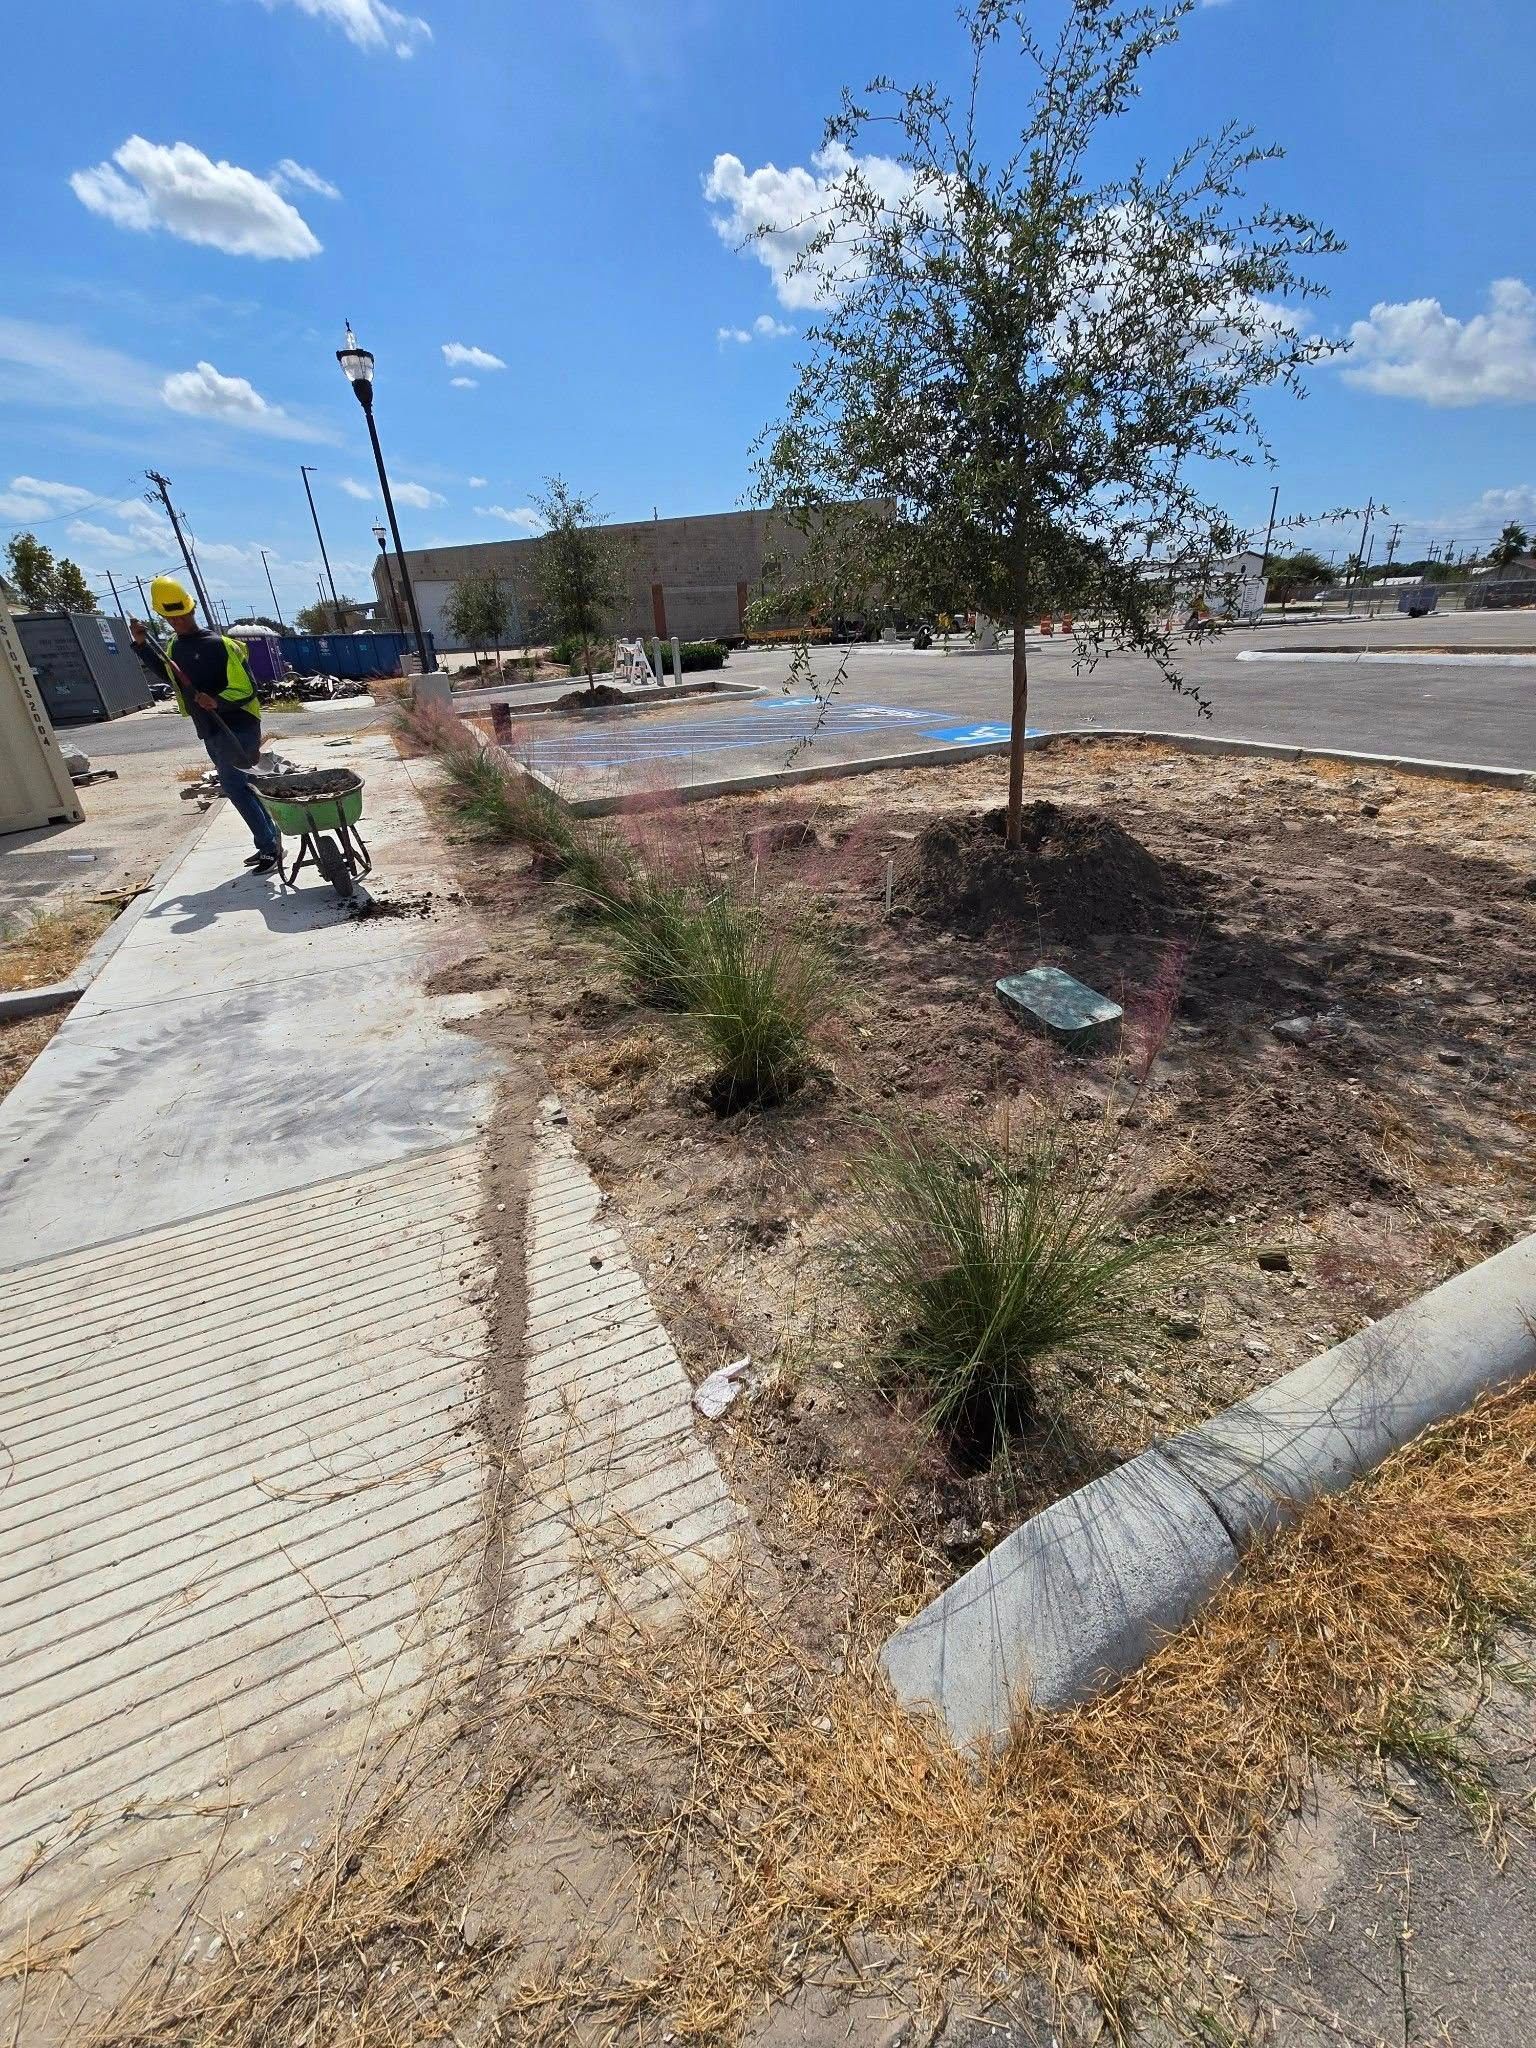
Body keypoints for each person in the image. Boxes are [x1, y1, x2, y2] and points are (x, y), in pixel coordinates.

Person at [130, 578, 282, 874]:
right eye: (171, 617)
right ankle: (270, 841)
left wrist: (216, 701)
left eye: (183, 614)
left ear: (192, 608)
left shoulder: (220, 645)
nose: (178, 621)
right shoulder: (173, 645)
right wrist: (141, 646)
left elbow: (247, 689)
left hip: (238, 723)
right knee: (244, 785)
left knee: (235, 785)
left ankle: (269, 845)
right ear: (162, 617)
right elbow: (170, 676)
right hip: (210, 727)